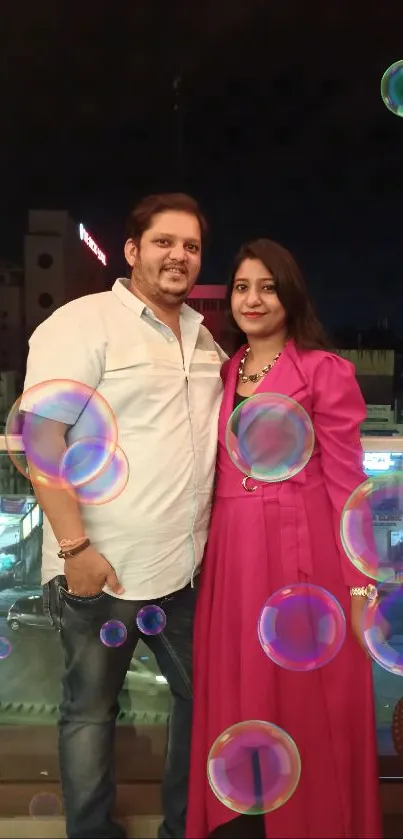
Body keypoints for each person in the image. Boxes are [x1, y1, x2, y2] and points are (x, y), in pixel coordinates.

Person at [21, 193, 227, 839]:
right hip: (100, 571)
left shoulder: (202, 336)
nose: (179, 256)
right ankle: (91, 831)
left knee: (204, 705)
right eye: (163, 242)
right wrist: (75, 548)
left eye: (190, 246)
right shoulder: (84, 323)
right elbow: (40, 438)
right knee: (88, 712)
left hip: (185, 570)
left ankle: (182, 828)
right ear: (133, 250)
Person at [186, 239, 383, 839]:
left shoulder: (326, 370)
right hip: (234, 552)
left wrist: (358, 586)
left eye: (267, 287)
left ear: (289, 295)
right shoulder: (224, 370)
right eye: (242, 287)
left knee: (307, 695)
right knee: (239, 692)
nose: (252, 299)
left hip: (305, 552)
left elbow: (350, 484)